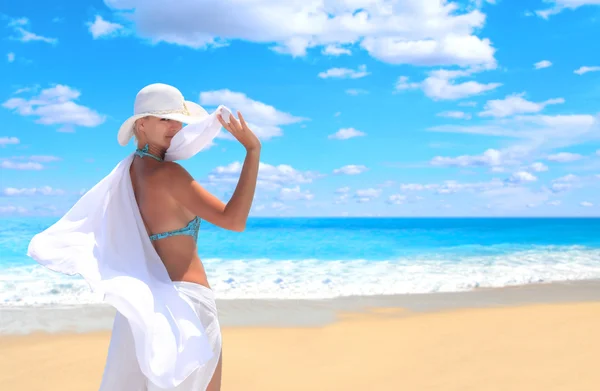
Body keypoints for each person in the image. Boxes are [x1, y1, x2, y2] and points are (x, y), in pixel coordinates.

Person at [27, 83, 260, 391]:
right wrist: (252, 151)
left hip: (141, 307)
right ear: (141, 124)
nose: (175, 126)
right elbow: (234, 220)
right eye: (165, 119)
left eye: (179, 119)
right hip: (187, 307)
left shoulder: (127, 175)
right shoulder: (169, 175)